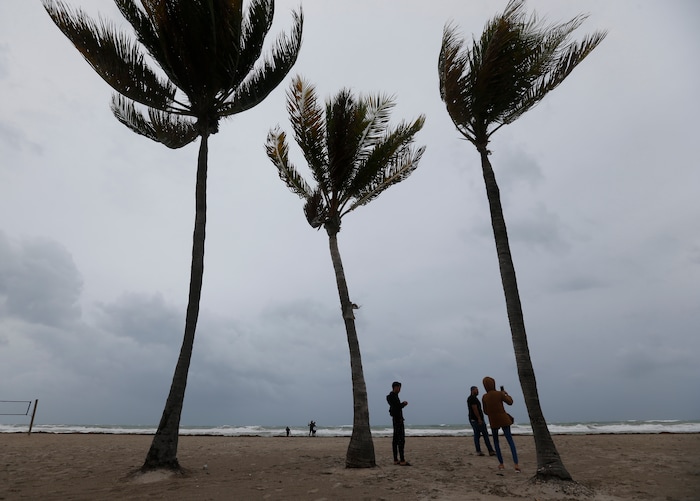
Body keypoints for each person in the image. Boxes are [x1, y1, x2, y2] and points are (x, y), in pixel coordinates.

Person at [481, 376, 520, 472]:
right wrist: (506, 394)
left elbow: (485, 411)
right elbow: (510, 402)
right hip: (504, 419)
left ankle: (501, 464)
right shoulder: (499, 394)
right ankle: (516, 464)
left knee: (496, 443)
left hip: (493, 421)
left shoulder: (484, 397)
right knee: (510, 441)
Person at [467, 385, 496, 457]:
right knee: (485, 434)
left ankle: (478, 451)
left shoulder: (472, 398)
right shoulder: (472, 398)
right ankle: (490, 450)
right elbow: (475, 409)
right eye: (476, 390)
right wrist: (479, 418)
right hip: (476, 420)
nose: (478, 391)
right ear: (472, 390)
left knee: (477, 435)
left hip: (473, 419)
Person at [386, 381, 410, 465]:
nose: (399, 389)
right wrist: (403, 404)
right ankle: (401, 460)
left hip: (398, 419)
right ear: (395, 387)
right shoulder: (391, 396)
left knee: (396, 439)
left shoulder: (394, 396)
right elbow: (396, 407)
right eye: (398, 387)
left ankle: (396, 459)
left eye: (400, 388)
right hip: (397, 420)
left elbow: (394, 407)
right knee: (400, 440)